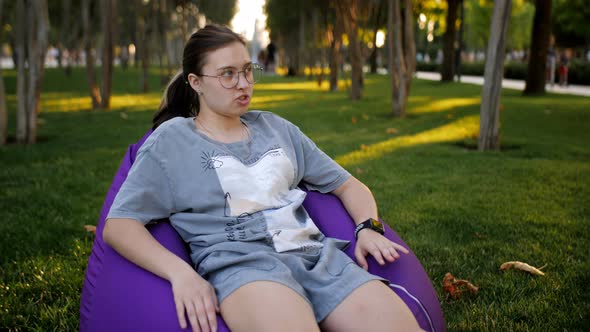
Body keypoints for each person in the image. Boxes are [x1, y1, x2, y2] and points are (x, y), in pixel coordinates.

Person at [103, 24, 421, 332]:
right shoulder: (171, 142)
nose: (244, 83)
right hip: (244, 267)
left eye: (247, 70)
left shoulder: (276, 129)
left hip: (317, 258)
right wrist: (181, 273)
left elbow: (349, 184)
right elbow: (119, 225)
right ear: (196, 82)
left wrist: (368, 227)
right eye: (228, 74)